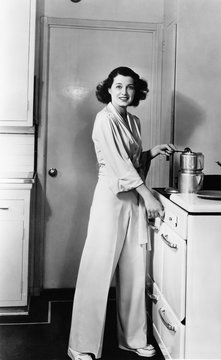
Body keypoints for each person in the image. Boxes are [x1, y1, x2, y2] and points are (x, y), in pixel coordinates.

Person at [68, 66, 175, 360]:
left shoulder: (134, 121)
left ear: (136, 91)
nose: (124, 92)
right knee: (97, 271)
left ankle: (133, 337)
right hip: (110, 199)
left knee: (134, 269)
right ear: (108, 89)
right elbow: (118, 164)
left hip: (132, 199)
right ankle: (82, 346)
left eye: (129, 87)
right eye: (118, 86)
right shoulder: (104, 120)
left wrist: (150, 153)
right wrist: (148, 195)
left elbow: (132, 160)